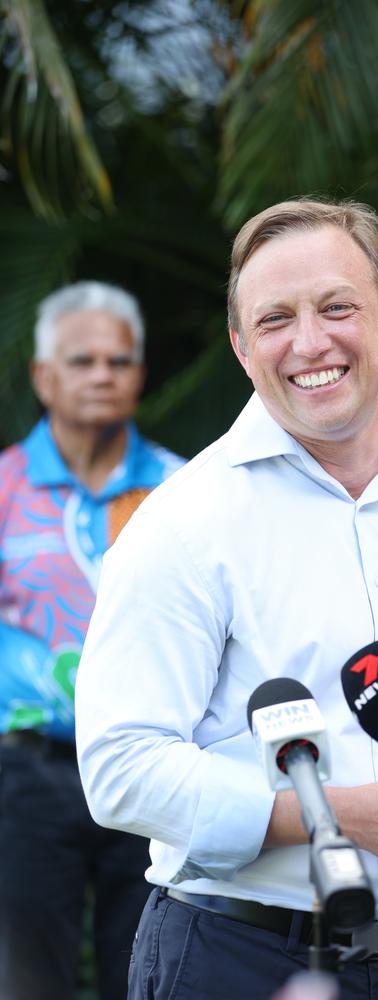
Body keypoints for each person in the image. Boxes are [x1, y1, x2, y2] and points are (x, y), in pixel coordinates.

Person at [75, 199, 378, 1000]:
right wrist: (341, 815)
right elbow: (121, 770)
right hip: (242, 958)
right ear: (241, 347)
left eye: (337, 307)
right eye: (276, 318)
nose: (310, 343)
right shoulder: (181, 525)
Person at [0, 281, 184, 1000]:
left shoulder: (182, 489)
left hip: (152, 765)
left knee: (146, 971)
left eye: (119, 360)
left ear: (139, 374)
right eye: (83, 361)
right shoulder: (5, 487)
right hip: (26, 775)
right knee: (24, 980)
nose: (103, 374)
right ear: (44, 376)